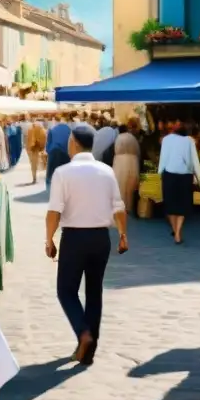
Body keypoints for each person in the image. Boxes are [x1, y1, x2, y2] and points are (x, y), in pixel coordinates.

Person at [46, 124, 128, 365]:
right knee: (94, 292)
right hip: (100, 238)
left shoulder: (63, 172)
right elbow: (119, 207)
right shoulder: (106, 171)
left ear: (73, 142)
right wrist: (123, 235)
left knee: (66, 291)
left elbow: (54, 211)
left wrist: (49, 238)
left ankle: (83, 333)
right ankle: (88, 351)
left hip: (74, 238)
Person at [158, 122, 200, 244]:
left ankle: (175, 231)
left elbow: (163, 157)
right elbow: (195, 160)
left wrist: (159, 172)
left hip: (169, 174)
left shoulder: (166, 140)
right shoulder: (190, 141)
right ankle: (178, 232)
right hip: (185, 175)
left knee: (170, 204)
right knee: (183, 204)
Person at [113, 120, 142, 214]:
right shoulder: (132, 137)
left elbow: (116, 150)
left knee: (120, 183)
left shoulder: (118, 138)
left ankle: (121, 205)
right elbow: (137, 151)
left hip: (120, 161)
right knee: (130, 184)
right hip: (132, 161)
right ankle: (129, 206)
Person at [46, 119, 72, 189]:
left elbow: (48, 143)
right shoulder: (69, 129)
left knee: (52, 172)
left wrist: (48, 151)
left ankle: (50, 188)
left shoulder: (52, 129)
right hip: (66, 152)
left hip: (54, 151)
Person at [25, 117, 48, 184]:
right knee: (41, 162)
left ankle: (34, 178)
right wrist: (42, 147)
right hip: (37, 148)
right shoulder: (41, 129)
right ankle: (42, 176)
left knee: (33, 164)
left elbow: (28, 139)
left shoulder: (30, 129)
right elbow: (44, 138)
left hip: (32, 148)